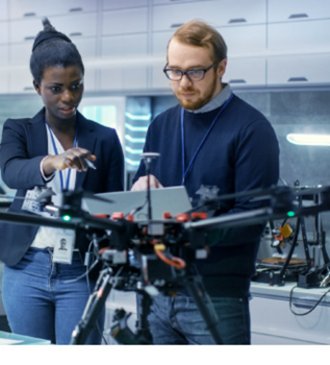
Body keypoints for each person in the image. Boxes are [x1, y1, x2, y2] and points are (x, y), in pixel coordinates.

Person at [131, 20, 280, 344]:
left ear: (221, 68)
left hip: (217, 296)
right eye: (174, 71)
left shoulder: (251, 129)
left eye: (196, 72)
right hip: (157, 292)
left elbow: (253, 219)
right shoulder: (160, 125)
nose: (183, 83)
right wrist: (138, 191)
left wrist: (187, 226)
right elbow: (141, 193)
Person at [0, 18, 125, 345]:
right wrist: (52, 161)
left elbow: (114, 208)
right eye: (56, 88)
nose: (68, 97)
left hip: (79, 268)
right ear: (37, 87)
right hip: (26, 268)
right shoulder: (18, 130)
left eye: (76, 85)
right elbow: (12, 172)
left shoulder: (104, 139)